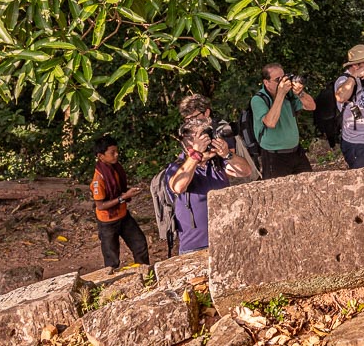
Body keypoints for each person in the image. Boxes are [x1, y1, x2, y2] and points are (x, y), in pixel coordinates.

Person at [165, 116, 252, 254]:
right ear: (189, 143)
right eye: (205, 137)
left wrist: (227, 155)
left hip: (225, 240)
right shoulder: (177, 167)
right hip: (195, 247)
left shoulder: (216, 164)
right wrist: (196, 155)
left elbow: (245, 171)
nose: (210, 140)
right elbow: (178, 186)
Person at [91, 134, 150, 271]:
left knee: (139, 244)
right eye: (112, 153)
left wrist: (127, 193)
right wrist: (123, 197)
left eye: (117, 151)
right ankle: (112, 285)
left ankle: (145, 273)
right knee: (111, 258)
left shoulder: (115, 168)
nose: (116, 155)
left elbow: (118, 190)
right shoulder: (98, 179)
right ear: (101, 156)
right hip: (107, 222)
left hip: (123, 215)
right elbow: (100, 205)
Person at [252, 63, 316, 179]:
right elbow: (270, 122)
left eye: (284, 77)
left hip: (296, 152)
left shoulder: (289, 95)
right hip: (274, 156)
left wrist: (300, 93)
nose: (283, 82)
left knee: (308, 185)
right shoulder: (258, 100)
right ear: (266, 82)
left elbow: (311, 106)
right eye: (278, 80)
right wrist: (280, 93)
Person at [178, 94, 256, 181]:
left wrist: (200, 157)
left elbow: (229, 167)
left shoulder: (220, 130)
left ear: (206, 112)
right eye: (187, 119)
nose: (191, 122)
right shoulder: (191, 133)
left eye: (194, 117)